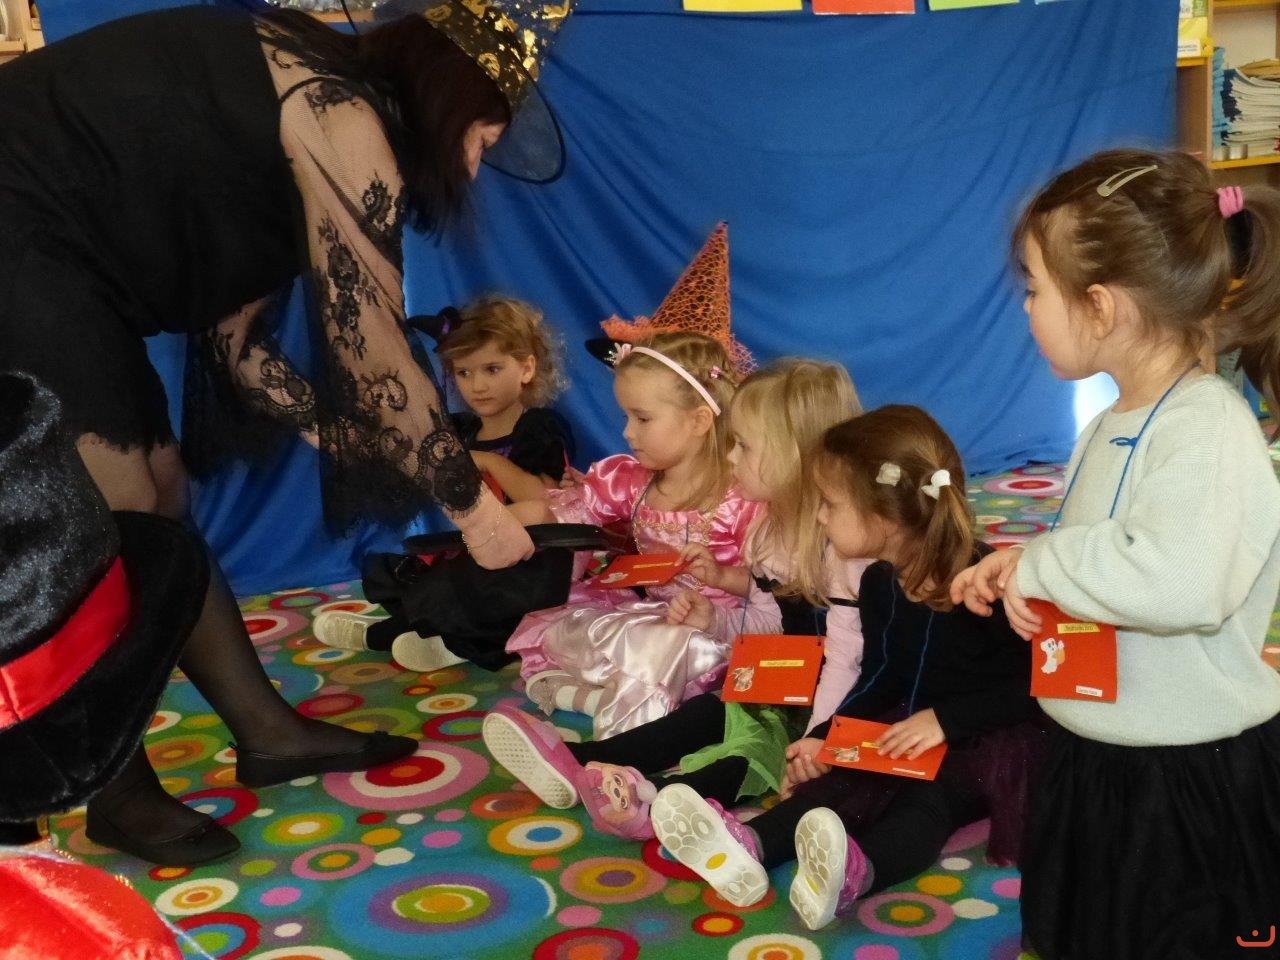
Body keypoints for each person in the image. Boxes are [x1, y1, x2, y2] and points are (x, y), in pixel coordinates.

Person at [0, 0, 574, 863]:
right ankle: (113, 793)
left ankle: (266, 732)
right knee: (113, 515)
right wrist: (475, 513)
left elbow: (242, 351)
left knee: (161, 494)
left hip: (61, 253)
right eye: (481, 139)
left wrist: (332, 432)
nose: (474, 166)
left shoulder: (296, 121)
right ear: (448, 101)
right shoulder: (339, 113)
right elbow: (378, 356)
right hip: (19, 231)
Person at [951, 149, 1280, 960]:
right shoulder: (1107, 423)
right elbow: (1106, 549)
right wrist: (1029, 571)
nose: (1026, 307)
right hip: (1099, 750)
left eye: (1035, 288)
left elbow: (1182, 580)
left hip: (1181, 776)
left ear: (1100, 306)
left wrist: (1046, 565)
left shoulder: (1208, 427)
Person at [650, 406, 1047, 932]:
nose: (819, 517)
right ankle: (751, 846)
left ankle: (859, 872)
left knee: (927, 797)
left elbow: (1034, 688)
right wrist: (824, 737)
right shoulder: (879, 582)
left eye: (830, 504)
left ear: (886, 517)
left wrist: (945, 721)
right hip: (909, 721)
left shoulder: (986, 585)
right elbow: (880, 674)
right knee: (841, 779)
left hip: (986, 734)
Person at [482, 358, 866, 840]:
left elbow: (848, 660)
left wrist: (817, 738)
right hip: (792, 676)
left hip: (848, 698)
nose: (730, 457)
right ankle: (581, 761)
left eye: (744, 446)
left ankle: (658, 799)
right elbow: (770, 623)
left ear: (795, 454)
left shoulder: (844, 553)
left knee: (756, 744)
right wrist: (716, 622)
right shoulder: (769, 534)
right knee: (712, 711)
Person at [314, 295, 575, 670]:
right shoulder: (462, 431)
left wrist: (489, 462)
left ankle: (391, 637)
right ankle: (440, 641)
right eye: (464, 373)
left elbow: (546, 501)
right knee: (418, 575)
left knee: (465, 585)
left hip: (530, 559)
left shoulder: (538, 426)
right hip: (475, 548)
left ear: (527, 368)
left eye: (492, 369)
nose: (477, 385)